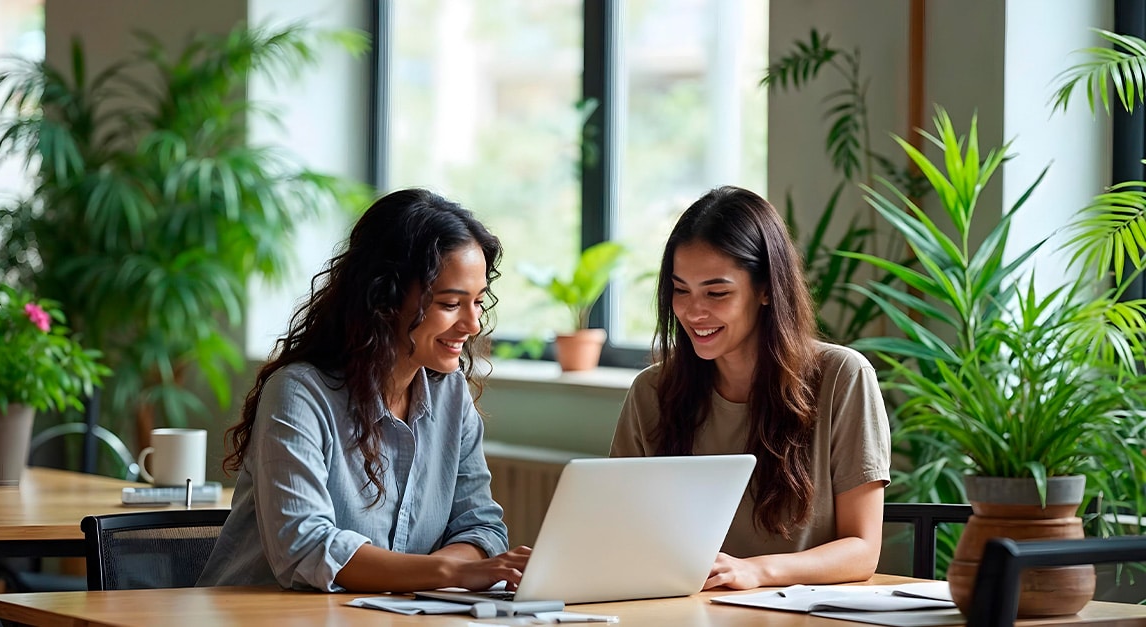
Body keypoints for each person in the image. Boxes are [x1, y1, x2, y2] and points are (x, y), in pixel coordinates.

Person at [198, 188, 530, 593]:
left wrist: (424, 583)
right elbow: (306, 547)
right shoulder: (299, 394)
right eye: (449, 304)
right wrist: (451, 574)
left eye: (478, 301)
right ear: (384, 298)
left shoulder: (451, 395)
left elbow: (480, 526)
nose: (473, 324)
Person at [609, 185, 890, 591]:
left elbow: (862, 548)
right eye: (680, 290)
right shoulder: (651, 391)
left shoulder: (842, 377)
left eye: (717, 293)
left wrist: (756, 571)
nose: (692, 311)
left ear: (765, 290)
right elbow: (619, 534)